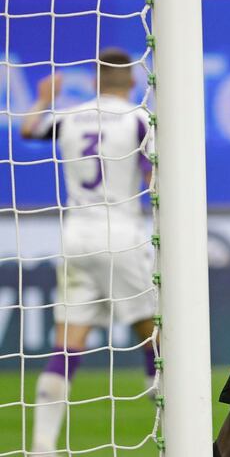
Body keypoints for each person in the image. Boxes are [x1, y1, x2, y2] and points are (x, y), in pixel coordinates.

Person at [21, 49, 157, 455]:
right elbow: (154, 171)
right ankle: (174, 427)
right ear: (132, 81)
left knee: (66, 344)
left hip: (76, 235)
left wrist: (45, 97)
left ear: (96, 81)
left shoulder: (70, 116)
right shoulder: (137, 118)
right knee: (154, 336)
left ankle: (42, 444)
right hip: (121, 232)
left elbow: (29, 130)